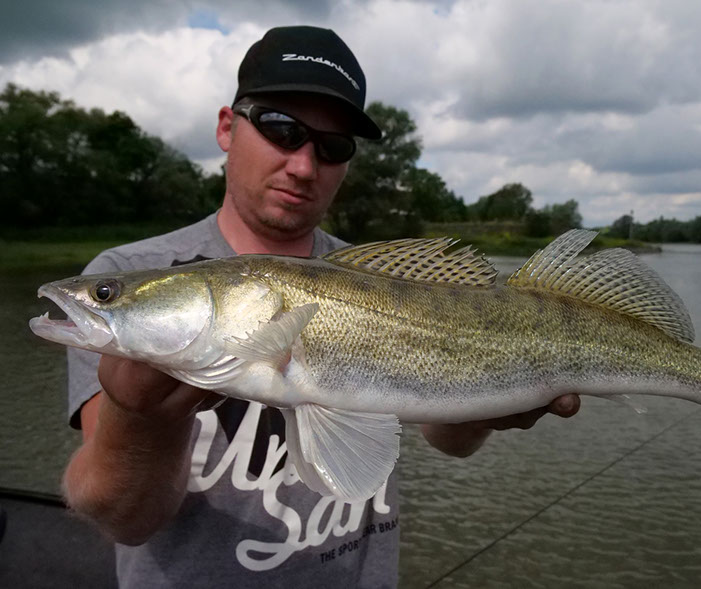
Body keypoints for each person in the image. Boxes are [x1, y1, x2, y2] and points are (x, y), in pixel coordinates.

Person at [63, 25, 580, 588]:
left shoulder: (376, 281)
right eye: (281, 128)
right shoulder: (126, 270)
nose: (304, 166)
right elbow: (124, 519)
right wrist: (139, 420)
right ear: (226, 127)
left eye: (333, 146)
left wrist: (488, 401)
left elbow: (445, 435)